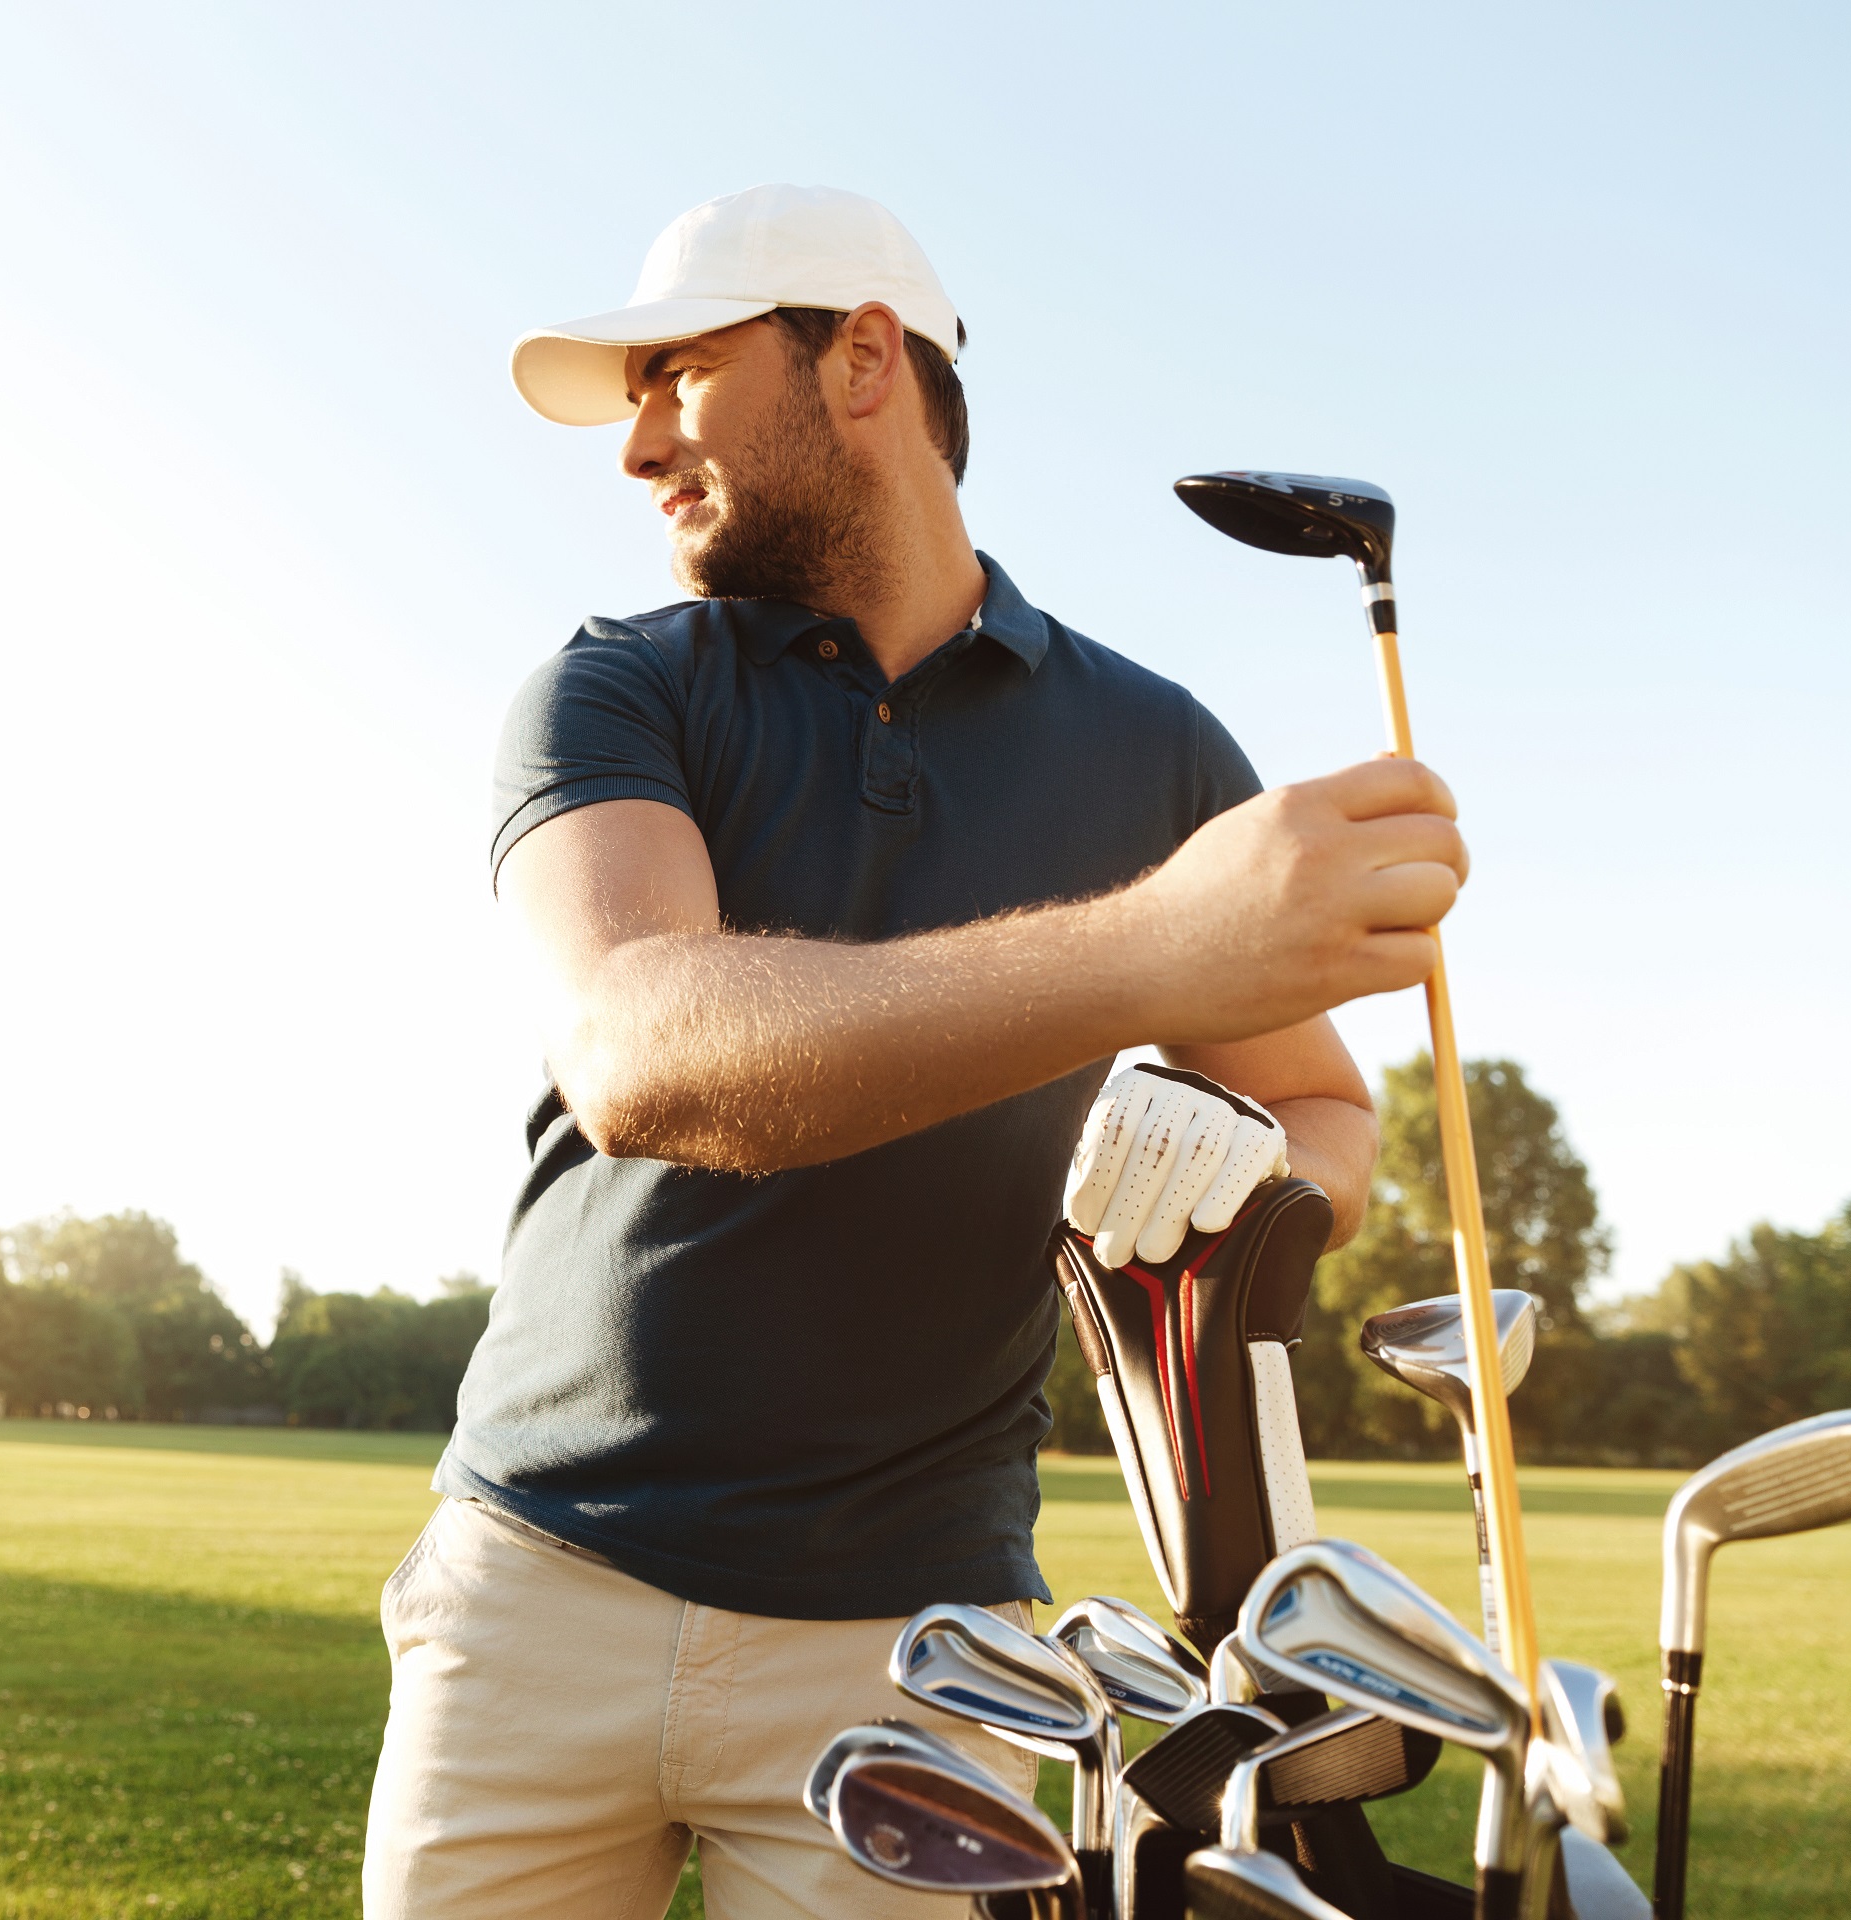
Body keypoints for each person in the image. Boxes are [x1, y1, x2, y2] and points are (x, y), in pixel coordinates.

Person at [361, 184, 1463, 1919]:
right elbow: (647, 1053)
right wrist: (1159, 946)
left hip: (916, 1645)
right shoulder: (610, 689)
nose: (638, 445)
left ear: (862, 358)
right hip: (534, 1590)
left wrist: (1251, 1188)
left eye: (679, 377)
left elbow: (1322, 1106)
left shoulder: (1155, 749)